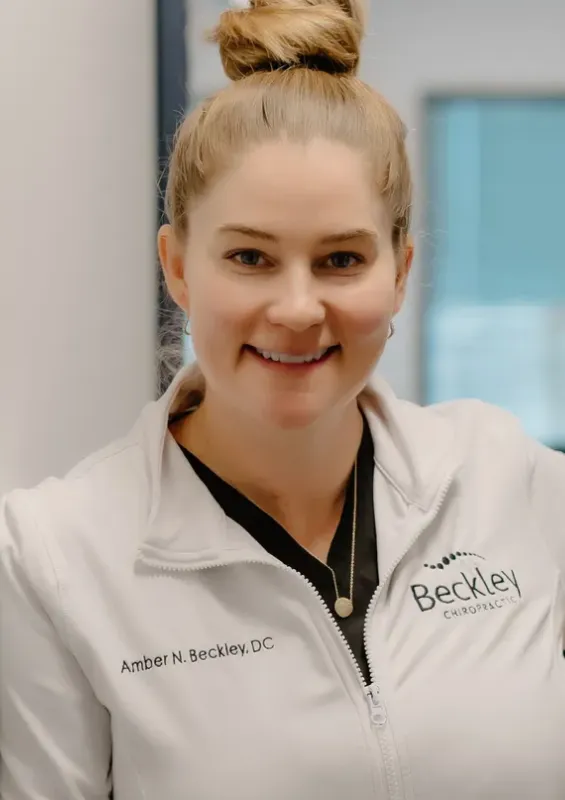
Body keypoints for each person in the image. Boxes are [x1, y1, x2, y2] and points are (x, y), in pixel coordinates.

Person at [1, 0, 564, 797]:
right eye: (249, 257)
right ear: (178, 267)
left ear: (399, 271)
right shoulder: (54, 557)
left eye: (340, 259)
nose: (298, 309)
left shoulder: (511, 481)